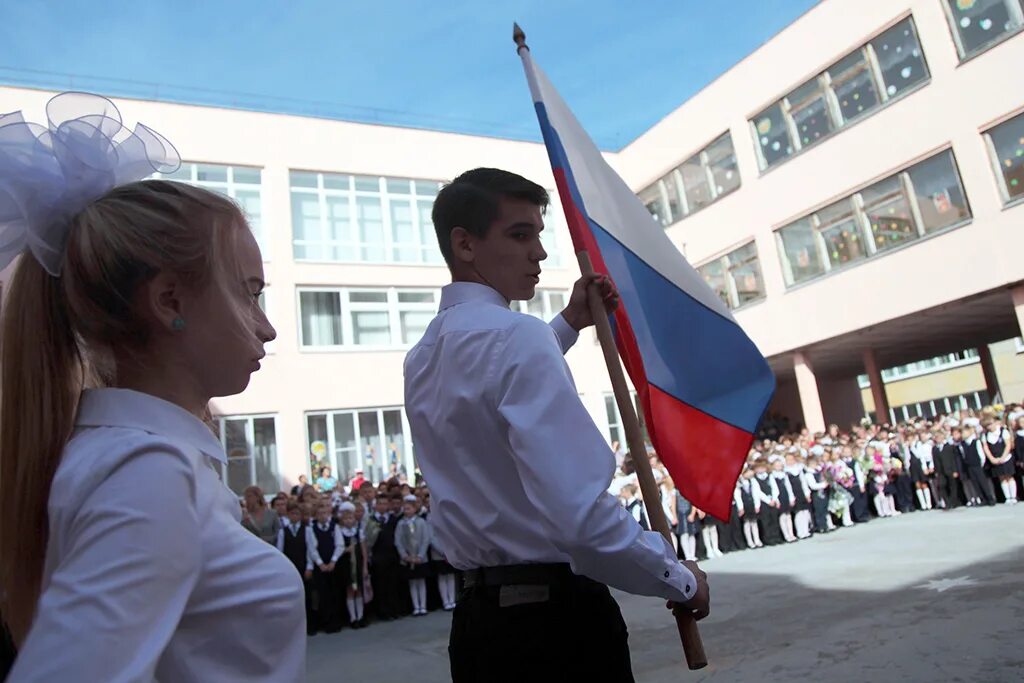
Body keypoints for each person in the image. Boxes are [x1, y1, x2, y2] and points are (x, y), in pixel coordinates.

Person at [0, 93, 303, 681]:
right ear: (170, 301)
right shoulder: (148, 468)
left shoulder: (135, 457)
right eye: (248, 290)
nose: (265, 325)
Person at [403, 168, 707, 681]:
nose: (539, 253)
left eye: (539, 235)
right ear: (465, 244)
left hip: (478, 629)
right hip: (556, 629)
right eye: (520, 235)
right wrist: (678, 578)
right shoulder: (517, 338)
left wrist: (568, 322)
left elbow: (490, 382)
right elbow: (581, 518)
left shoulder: (422, 357)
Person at [277, 500, 316, 635]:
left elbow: (310, 550)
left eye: (297, 513)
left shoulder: (307, 530)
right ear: (288, 515)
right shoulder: (283, 532)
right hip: (291, 568)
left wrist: (310, 567)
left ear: (301, 515)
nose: (294, 516)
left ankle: (310, 625)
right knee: (293, 599)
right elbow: (280, 551)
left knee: (307, 597)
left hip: (303, 566)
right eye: (292, 513)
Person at [306, 501, 344, 633]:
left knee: (335, 592)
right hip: (320, 566)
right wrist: (320, 563)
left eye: (325, 513)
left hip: (333, 564)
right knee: (323, 594)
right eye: (320, 514)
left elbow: (339, 545)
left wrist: (333, 561)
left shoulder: (334, 527)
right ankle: (326, 622)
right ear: (316, 515)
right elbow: (312, 548)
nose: (323, 516)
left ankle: (336, 622)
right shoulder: (312, 528)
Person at [395, 495, 431, 616]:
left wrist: (420, 555)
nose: (407, 511)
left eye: (409, 508)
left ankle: (423, 605)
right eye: (405, 508)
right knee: (412, 583)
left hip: (420, 558)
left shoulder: (421, 522)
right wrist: (405, 556)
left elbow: (426, 539)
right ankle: (416, 606)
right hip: (408, 558)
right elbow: (398, 541)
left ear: (415, 509)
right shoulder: (400, 524)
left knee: (421, 582)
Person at [337, 503, 369, 629]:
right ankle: (353, 617)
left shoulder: (358, 531)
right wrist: (346, 550)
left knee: (359, 589)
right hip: (346, 564)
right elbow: (338, 548)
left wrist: (365, 566)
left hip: (358, 563)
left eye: (350, 517)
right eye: (345, 518)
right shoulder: (340, 531)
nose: (348, 520)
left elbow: (363, 550)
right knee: (350, 590)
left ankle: (360, 616)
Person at [982, 420, 1017, 504]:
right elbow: (986, 448)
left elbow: (1008, 445)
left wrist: (1003, 457)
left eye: (990, 424)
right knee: (1002, 478)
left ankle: (1013, 496)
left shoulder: (1003, 431)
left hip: (1006, 457)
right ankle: (1007, 497)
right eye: (987, 425)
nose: (989, 427)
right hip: (995, 459)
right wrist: (992, 459)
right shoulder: (986, 435)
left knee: (1009, 477)